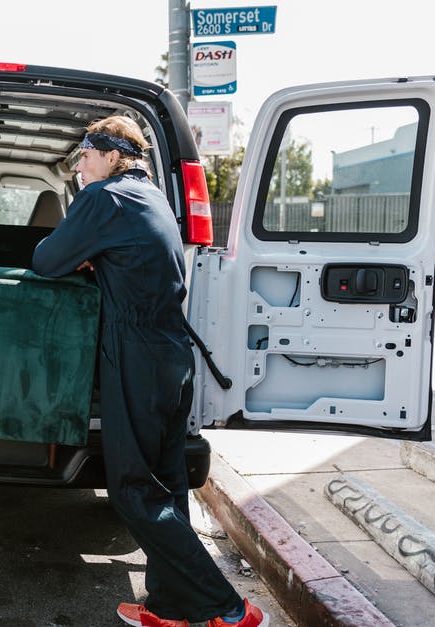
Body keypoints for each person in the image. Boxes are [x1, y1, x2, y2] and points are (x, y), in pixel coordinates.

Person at [32, 116, 267, 627]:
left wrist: (86, 255)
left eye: (86, 156)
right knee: (165, 484)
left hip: (135, 352)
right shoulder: (153, 196)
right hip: (172, 354)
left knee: (134, 490)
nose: (80, 165)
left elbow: (45, 259)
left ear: (112, 154)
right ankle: (169, 606)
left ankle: (226, 607)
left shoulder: (104, 197)